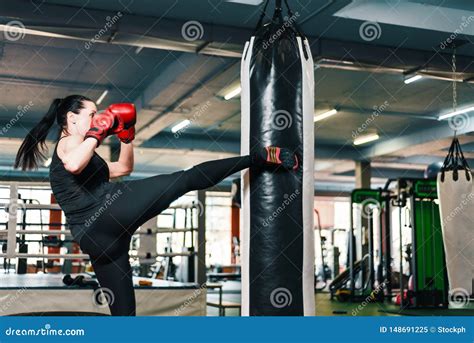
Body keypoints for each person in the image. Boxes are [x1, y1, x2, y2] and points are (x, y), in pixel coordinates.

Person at [14, 94, 298, 316]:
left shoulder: (86, 150)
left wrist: (126, 136)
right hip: (104, 214)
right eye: (91, 114)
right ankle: (258, 157)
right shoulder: (69, 142)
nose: (97, 118)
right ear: (70, 118)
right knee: (184, 179)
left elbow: (124, 168)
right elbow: (74, 163)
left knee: (125, 316)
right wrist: (96, 133)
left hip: (101, 243)